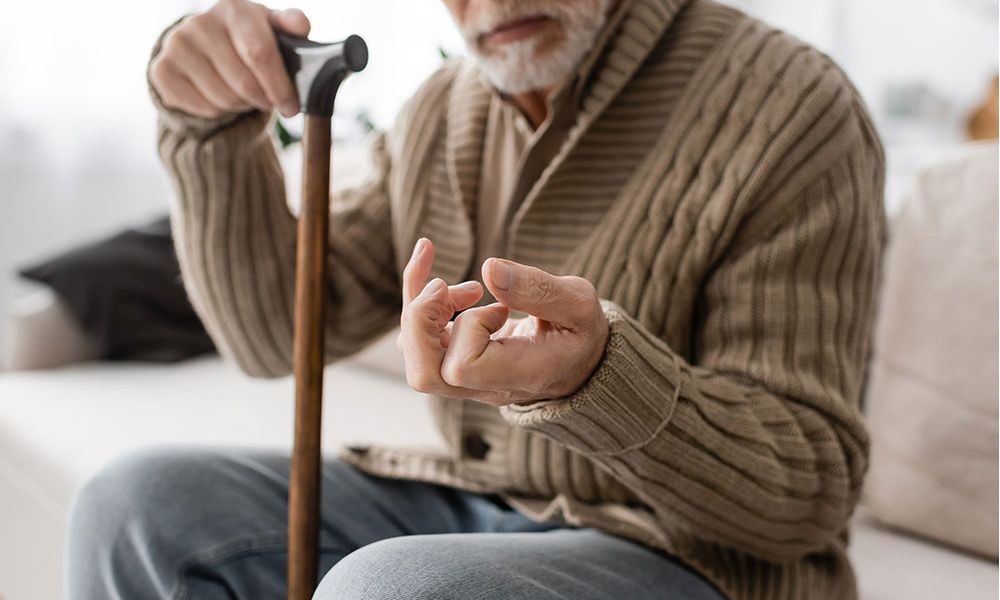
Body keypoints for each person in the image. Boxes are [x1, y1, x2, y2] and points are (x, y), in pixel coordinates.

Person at [67, 0, 886, 598]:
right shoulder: (440, 109)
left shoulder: (795, 107)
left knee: (396, 590)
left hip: (693, 557)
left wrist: (595, 378)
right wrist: (202, 127)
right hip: (470, 502)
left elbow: (804, 495)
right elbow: (272, 334)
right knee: (138, 504)